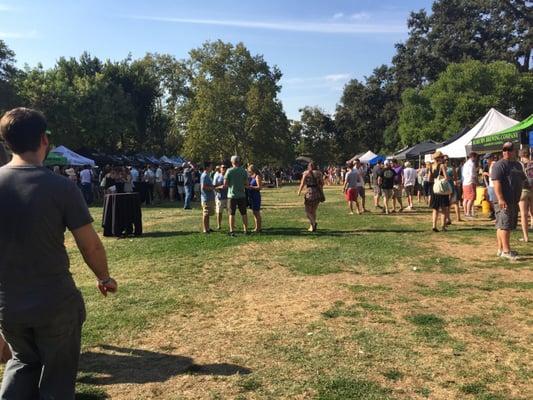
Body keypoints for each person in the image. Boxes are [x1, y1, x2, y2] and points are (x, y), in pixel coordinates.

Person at [0, 108, 117, 399]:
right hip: (54, 301)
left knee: (21, 361)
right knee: (57, 377)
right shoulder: (61, 187)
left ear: (6, 143)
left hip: (8, 304)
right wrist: (104, 277)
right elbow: (89, 244)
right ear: (44, 140)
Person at [491, 142, 526, 260]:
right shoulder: (499, 165)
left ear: (514, 151)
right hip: (503, 200)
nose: (506, 152)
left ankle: (501, 249)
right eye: (504, 150)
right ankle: (506, 251)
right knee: (504, 225)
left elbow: (523, 179)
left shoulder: (517, 165)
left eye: (509, 150)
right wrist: (500, 198)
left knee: (503, 225)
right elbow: (496, 183)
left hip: (513, 200)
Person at [224, 156, 249, 236]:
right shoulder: (244, 171)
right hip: (242, 195)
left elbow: (225, 184)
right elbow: (246, 184)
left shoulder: (229, 171)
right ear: (239, 162)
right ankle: (246, 230)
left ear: (232, 162)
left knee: (231, 214)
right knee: (244, 213)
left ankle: (232, 231)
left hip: (232, 195)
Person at [297, 161, 324, 231]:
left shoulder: (306, 173)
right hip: (317, 192)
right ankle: (312, 226)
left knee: (307, 211)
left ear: (309, 166)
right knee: (313, 211)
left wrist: (299, 191)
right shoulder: (319, 173)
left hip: (309, 192)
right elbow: (322, 183)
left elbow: (302, 183)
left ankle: (314, 223)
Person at [429, 151, 451, 232]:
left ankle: (434, 225)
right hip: (441, 189)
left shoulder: (431, 166)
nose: (443, 159)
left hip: (434, 189)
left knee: (435, 209)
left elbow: (429, 178)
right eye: (442, 157)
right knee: (443, 208)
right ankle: (443, 226)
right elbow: (446, 177)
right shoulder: (442, 166)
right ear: (438, 158)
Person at [518, 148, 533, 243]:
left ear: (521, 155)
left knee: (523, 215)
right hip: (532, 189)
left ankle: (526, 237)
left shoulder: (519, 165)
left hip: (523, 190)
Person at [200, 162, 215, 233]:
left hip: (209, 197)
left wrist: (214, 186)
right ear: (207, 167)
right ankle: (205, 229)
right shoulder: (204, 175)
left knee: (208, 213)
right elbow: (203, 187)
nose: (212, 167)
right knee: (206, 213)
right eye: (211, 166)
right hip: (206, 198)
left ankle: (208, 228)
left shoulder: (208, 175)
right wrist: (212, 188)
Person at [462, 152, 478, 218]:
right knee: (471, 198)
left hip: (465, 182)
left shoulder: (465, 164)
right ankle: (468, 213)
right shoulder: (471, 164)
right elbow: (472, 174)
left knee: (466, 198)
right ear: (473, 157)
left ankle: (466, 212)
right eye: (476, 157)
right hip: (470, 182)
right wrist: (476, 180)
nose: (476, 158)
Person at [247, 165, 263, 232]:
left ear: (253, 170)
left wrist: (251, 187)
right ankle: (256, 227)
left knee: (257, 212)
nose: (249, 172)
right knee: (254, 212)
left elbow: (259, 187)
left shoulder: (257, 176)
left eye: (250, 171)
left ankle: (258, 228)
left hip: (256, 196)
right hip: (252, 196)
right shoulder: (252, 176)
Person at [213, 165, 228, 230]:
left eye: (225, 167)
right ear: (220, 169)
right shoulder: (217, 176)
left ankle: (231, 224)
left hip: (228, 197)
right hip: (220, 197)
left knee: (230, 212)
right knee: (219, 212)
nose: (223, 169)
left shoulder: (228, 176)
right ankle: (219, 225)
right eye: (222, 168)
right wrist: (220, 187)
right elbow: (213, 187)